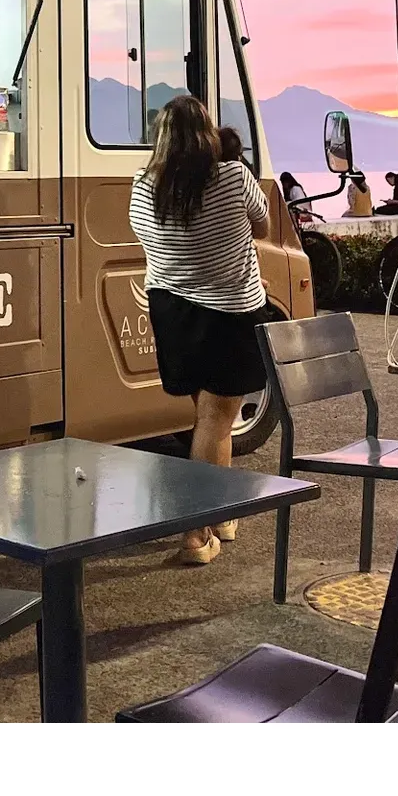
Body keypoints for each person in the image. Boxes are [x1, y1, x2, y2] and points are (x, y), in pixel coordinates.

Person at [129, 93, 272, 567]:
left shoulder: (142, 186)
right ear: (207, 134)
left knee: (210, 419)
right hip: (228, 314)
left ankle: (222, 515)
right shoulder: (232, 176)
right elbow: (264, 227)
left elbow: (148, 241)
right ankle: (194, 532)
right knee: (216, 421)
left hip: (172, 313)